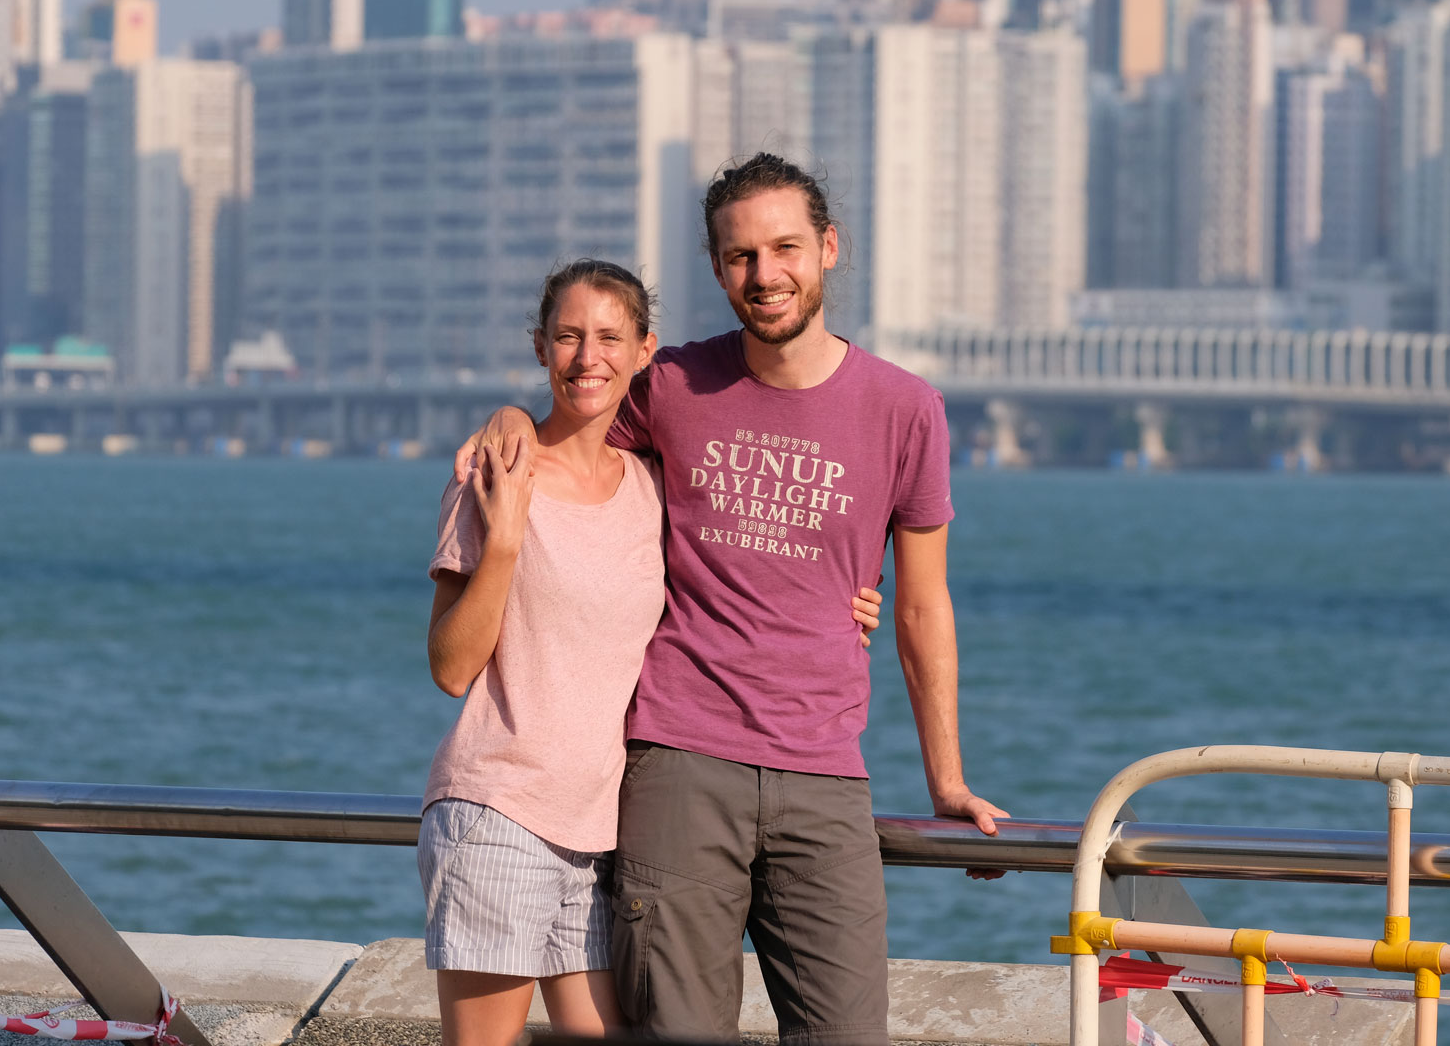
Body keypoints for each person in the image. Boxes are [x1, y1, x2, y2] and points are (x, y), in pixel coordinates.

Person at [457, 154, 1010, 1045]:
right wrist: (509, 421)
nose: (764, 274)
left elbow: (919, 609)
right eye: (740, 256)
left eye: (785, 247)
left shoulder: (907, 410)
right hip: (678, 766)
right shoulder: (672, 385)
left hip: (826, 776)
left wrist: (945, 780)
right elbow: (573, 421)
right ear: (717, 270)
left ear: (829, 249)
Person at [422, 258, 886, 1046]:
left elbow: (737, 566)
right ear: (540, 348)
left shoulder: (648, 487)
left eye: (609, 337)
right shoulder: (495, 475)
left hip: (602, 834)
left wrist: (844, 606)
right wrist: (502, 543)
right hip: (501, 811)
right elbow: (450, 666)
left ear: (646, 352)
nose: (586, 356)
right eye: (567, 336)